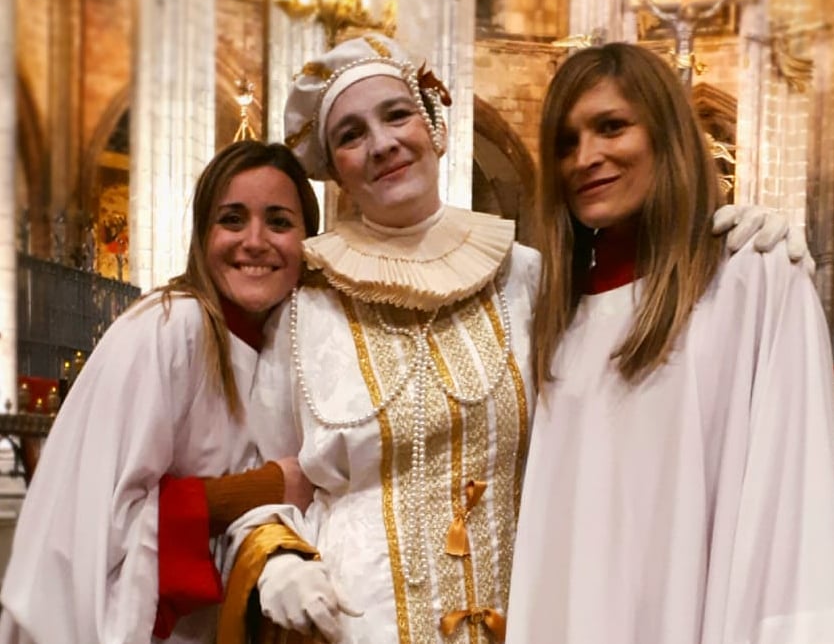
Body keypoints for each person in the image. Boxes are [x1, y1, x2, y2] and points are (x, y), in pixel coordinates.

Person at [216, 33, 805, 644]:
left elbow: (625, 391)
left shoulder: (530, 277)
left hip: (530, 618)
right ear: (332, 165)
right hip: (355, 625)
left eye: (397, 116)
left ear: (435, 125)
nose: (383, 144)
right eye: (350, 134)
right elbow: (252, 472)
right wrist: (279, 559)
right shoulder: (302, 308)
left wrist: (732, 232)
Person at [505, 42, 834, 644]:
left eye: (611, 127)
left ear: (668, 135)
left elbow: (792, 507)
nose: (586, 157)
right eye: (565, 142)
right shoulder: (554, 318)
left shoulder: (753, 281)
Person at [0, 140, 320, 644]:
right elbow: (107, 532)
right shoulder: (172, 327)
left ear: (309, 241)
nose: (255, 240)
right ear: (201, 235)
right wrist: (267, 488)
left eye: (279, 221)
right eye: (232, 219)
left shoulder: (283, 348)